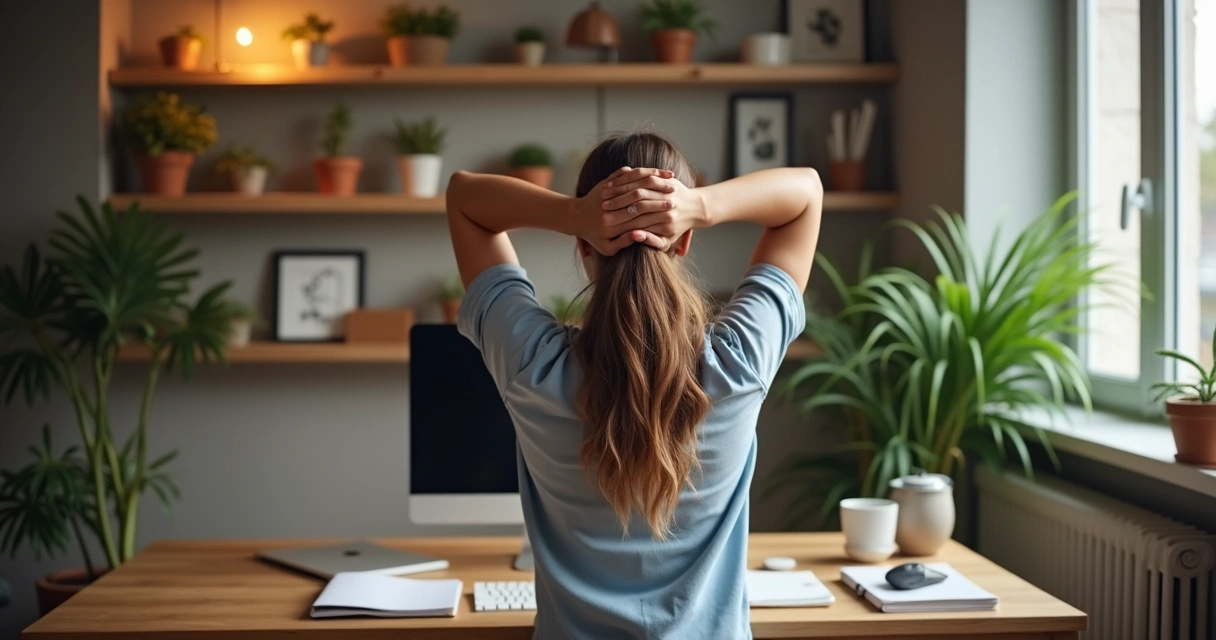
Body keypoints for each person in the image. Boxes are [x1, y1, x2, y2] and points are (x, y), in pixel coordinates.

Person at [446, 132, 823, 639]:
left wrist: (575, 214)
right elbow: (805, 194)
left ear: (583, 245)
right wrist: (698, 206)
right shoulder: (737, 364)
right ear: (685, 241)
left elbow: (464, 198)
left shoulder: (533, 365)